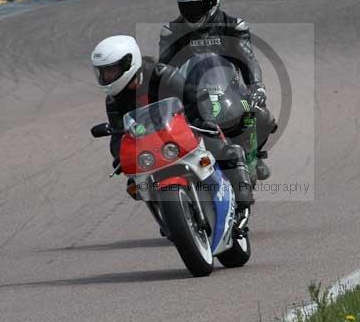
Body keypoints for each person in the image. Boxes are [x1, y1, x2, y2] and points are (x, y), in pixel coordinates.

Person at [91, 34, 255, 211]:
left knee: (223, 151)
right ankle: (169, 215)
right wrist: (119, 155)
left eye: (111, 71)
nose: (107, 77)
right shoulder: (114, 101)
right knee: (137, 185)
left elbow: (191, 99)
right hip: (150, 144)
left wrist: (202, 121)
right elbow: (118, 133)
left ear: (128, 63)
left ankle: (240, 198)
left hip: (182, 131)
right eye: (103, 72)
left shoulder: (161, 75)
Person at [159, 0, 277, 181]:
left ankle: (255, 154)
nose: (192, 13)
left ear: (214, 1)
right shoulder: (172, 31)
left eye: (198, 7)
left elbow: (248, 59)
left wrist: (257, 87)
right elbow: (163, 68)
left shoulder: (233, 26)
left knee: (264, 116)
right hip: (190, 94)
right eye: (188, 8)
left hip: (230, 89)